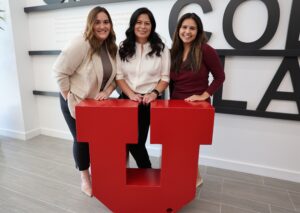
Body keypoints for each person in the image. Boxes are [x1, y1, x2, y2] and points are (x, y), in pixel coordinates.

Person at [53, 6, 117, 196]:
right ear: (90, 24)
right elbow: (59, 71)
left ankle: (98, 174)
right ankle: (85, 178)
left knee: (95, 140)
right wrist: (68, 96)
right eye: (97, 22)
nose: (102, 26)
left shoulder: (110, 46)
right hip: (74, 102)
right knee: (81, 140)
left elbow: (115, 78)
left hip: (94, 105)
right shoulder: (81, 42)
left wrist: (106, 91)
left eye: (106, 22)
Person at [170, 13, 225, 187]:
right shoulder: (174, 51)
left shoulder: (205, 50)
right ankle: (191, 176)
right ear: (178, 29)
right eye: (184, 27)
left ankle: (195, 178)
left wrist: (204, 95)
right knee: (178, 145)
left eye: (192, 28)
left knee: (190, 146)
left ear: (198, 31)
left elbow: (220, 77)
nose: (187, 31)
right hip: (176, 105)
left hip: (195, 107)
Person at [116, 7, 170, 168]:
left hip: (148, 101)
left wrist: (154, 93)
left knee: (137, 142)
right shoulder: (123, 48)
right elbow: (119, 77)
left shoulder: (161, 49)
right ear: (133, 25)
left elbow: (165, 78)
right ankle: (130, 174)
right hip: (126, 100)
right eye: (139, 22)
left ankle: (147, 172)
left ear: (152, 26)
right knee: (122, 140)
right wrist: (131, 94)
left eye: (147, 23)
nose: (143, 26)